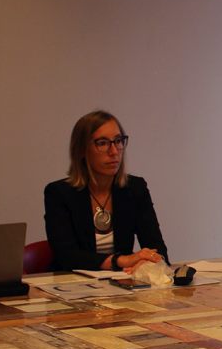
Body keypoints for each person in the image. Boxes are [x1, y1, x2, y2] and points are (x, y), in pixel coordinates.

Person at [44, 110, 168, 272]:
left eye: (118, 141)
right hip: (73, 282)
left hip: (122, 280)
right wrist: (121, 261)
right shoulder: (59, 194)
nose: (114, 151)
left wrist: (148, 262)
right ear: (81, 150)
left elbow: (157, 248)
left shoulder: (135, 188)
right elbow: (67, 256)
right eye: (102, 143)